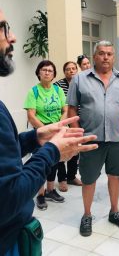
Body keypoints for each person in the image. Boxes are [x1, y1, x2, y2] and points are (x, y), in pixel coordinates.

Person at [0, 9, 98, 256]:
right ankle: (47, 192)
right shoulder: (31, 93)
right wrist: (51, 151)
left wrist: (34, 139)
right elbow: (8, 197)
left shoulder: (57, 90)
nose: (12, 37)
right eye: (4, 28)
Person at [67, 40, 119, 236]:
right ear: (94, 55)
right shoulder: (80, 79)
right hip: (91, 139)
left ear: (113, 57)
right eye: (101, 53)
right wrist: (78, 135)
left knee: (115, 176)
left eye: (109, 54)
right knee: (89, 179)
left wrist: (114, 114)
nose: (105, 57)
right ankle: (87, 215)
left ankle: (115, 212)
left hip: (117, 138)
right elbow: (72, 108)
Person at [24, 60, 68, 210]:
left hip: (56, 131)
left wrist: (59, 127)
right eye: (44, 70)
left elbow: (65, 110)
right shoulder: (33, 91)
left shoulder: (58, 90)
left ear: (54, 74)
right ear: (38, 73)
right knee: (41, 163)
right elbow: (31, 115)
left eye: (50, 70)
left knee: (54, 161)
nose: (47, 72)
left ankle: (50, 190)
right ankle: (40, 194)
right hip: (40, 133)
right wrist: (45, 130)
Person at [55, 61, 82, 192]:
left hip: (77, 122)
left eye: (73, 68)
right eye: (68, 69)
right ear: (64, 71)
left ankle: (72, 176)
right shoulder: (58, 85)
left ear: (77, 70)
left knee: (74, 150)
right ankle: (62, 179)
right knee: (61, 150)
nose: (71, 71)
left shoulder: (82, 83)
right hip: (63, 122)